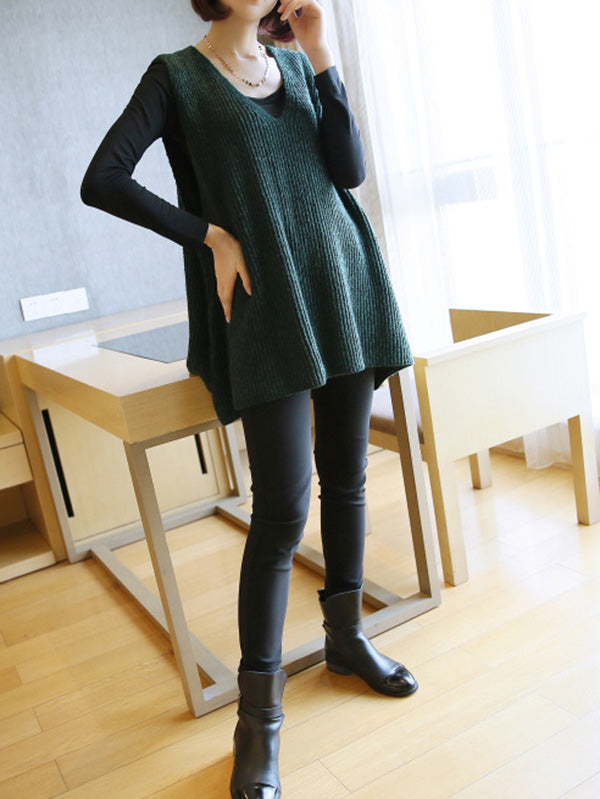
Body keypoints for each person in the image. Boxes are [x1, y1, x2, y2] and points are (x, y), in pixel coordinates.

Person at [80, 1, 418, 796]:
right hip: (266, 306)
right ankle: (257, 719)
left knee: (348, 478)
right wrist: (209, 235)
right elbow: (103, 179)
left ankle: (346, 639)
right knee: (281, 511)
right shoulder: (177, 78)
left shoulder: (296, 63)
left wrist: (322, 53)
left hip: (342, 282)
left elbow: (348, 171)